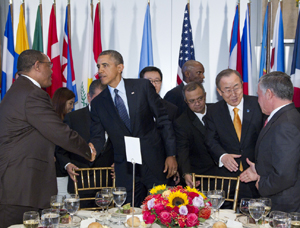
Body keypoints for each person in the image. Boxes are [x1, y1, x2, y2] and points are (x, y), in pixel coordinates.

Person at [0, 49, 96, 227]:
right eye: (49, 65)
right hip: (21, 186)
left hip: (21, 185)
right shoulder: (32, 93)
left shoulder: (20, 89)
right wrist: (87, 150)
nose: (52, 70)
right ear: (37, 66)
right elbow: (58, 131)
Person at [90, 50, 177, 206]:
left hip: (154, 162)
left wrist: (171, 154)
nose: (100, 71)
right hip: (125, 167)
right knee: (128, 214)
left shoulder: (142, 86)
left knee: (162, 209)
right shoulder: (98, 103)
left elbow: (164, 120)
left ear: (120, 67)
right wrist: (90, 150)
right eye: (98, 66)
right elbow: (98, 137)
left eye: (105, 65)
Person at [240, 71, 300, 212]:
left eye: (258, 95)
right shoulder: (287, 116)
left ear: (268, 94)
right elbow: (283, 159)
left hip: (285, 205)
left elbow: (285, 174)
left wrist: (262, 184)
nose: (258, 100)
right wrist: (259, 170)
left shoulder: (286, 123)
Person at [205, 69, 263, 201]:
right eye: (227, 89)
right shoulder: (213, 111)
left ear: (242, 84)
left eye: (236, 87)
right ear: (219, 92)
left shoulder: (258, 104)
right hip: (226, 180)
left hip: (254, 176)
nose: (234, 94)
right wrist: (222, 156)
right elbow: (210, 139)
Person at [55, 80, 114, 208]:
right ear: (88, 97)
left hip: (108, 186)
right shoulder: (73, 118)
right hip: (80, 185)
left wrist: (119, 164)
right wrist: (67, 164)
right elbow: (60, 149)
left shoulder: (116, 117)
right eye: (98, 99)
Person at [174, 81, 218, 188]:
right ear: (186, 101)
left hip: (226, 170)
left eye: (200, 99)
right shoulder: (181, 122)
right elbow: (182, 151)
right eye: (192, 101)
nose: (197, 103)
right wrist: (186, 173)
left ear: (205, 96)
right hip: (201, 175)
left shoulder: (218, 111)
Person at [52, 87, 76, 196]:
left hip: (66, 170)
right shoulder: (52, 121)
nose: (72, 107)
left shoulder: (69, 121)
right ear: (62, 102)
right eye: (70, 103)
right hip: (56, 172)